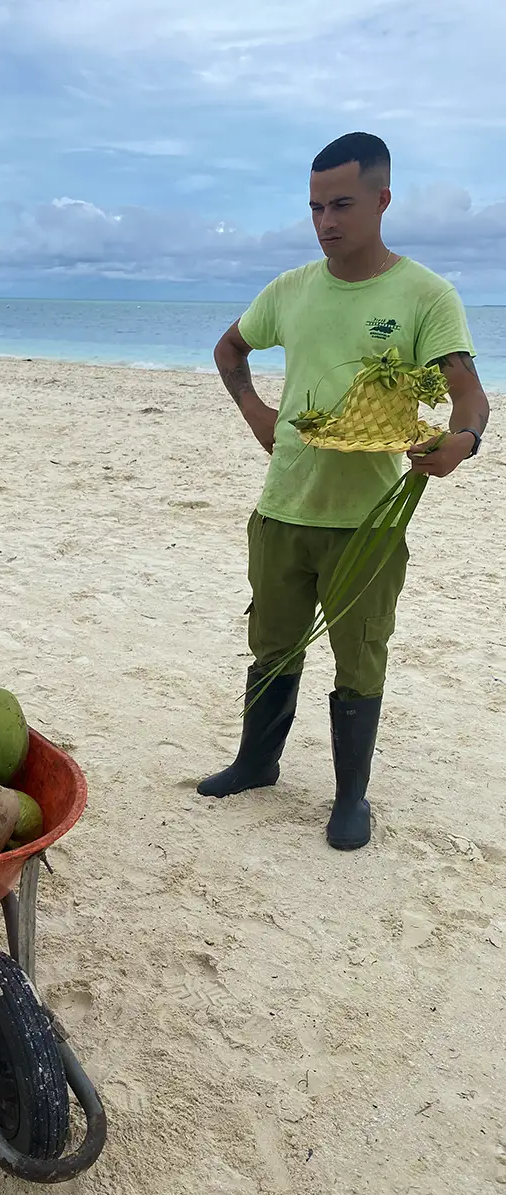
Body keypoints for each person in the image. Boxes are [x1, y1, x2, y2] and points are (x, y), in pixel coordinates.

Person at [197, 132, 489, 851]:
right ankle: (256, 762)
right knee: (271, 644)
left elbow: (469, 395)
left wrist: (462, 443)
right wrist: (256, 412)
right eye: (316, 206)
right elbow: (228, 347)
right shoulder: (291, 289)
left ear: (383, 200)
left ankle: (351, 796)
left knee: (360, 657)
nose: (327, 220)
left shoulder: (424, 294)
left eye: (343, 204)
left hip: (369, 521)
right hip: (282, 506)